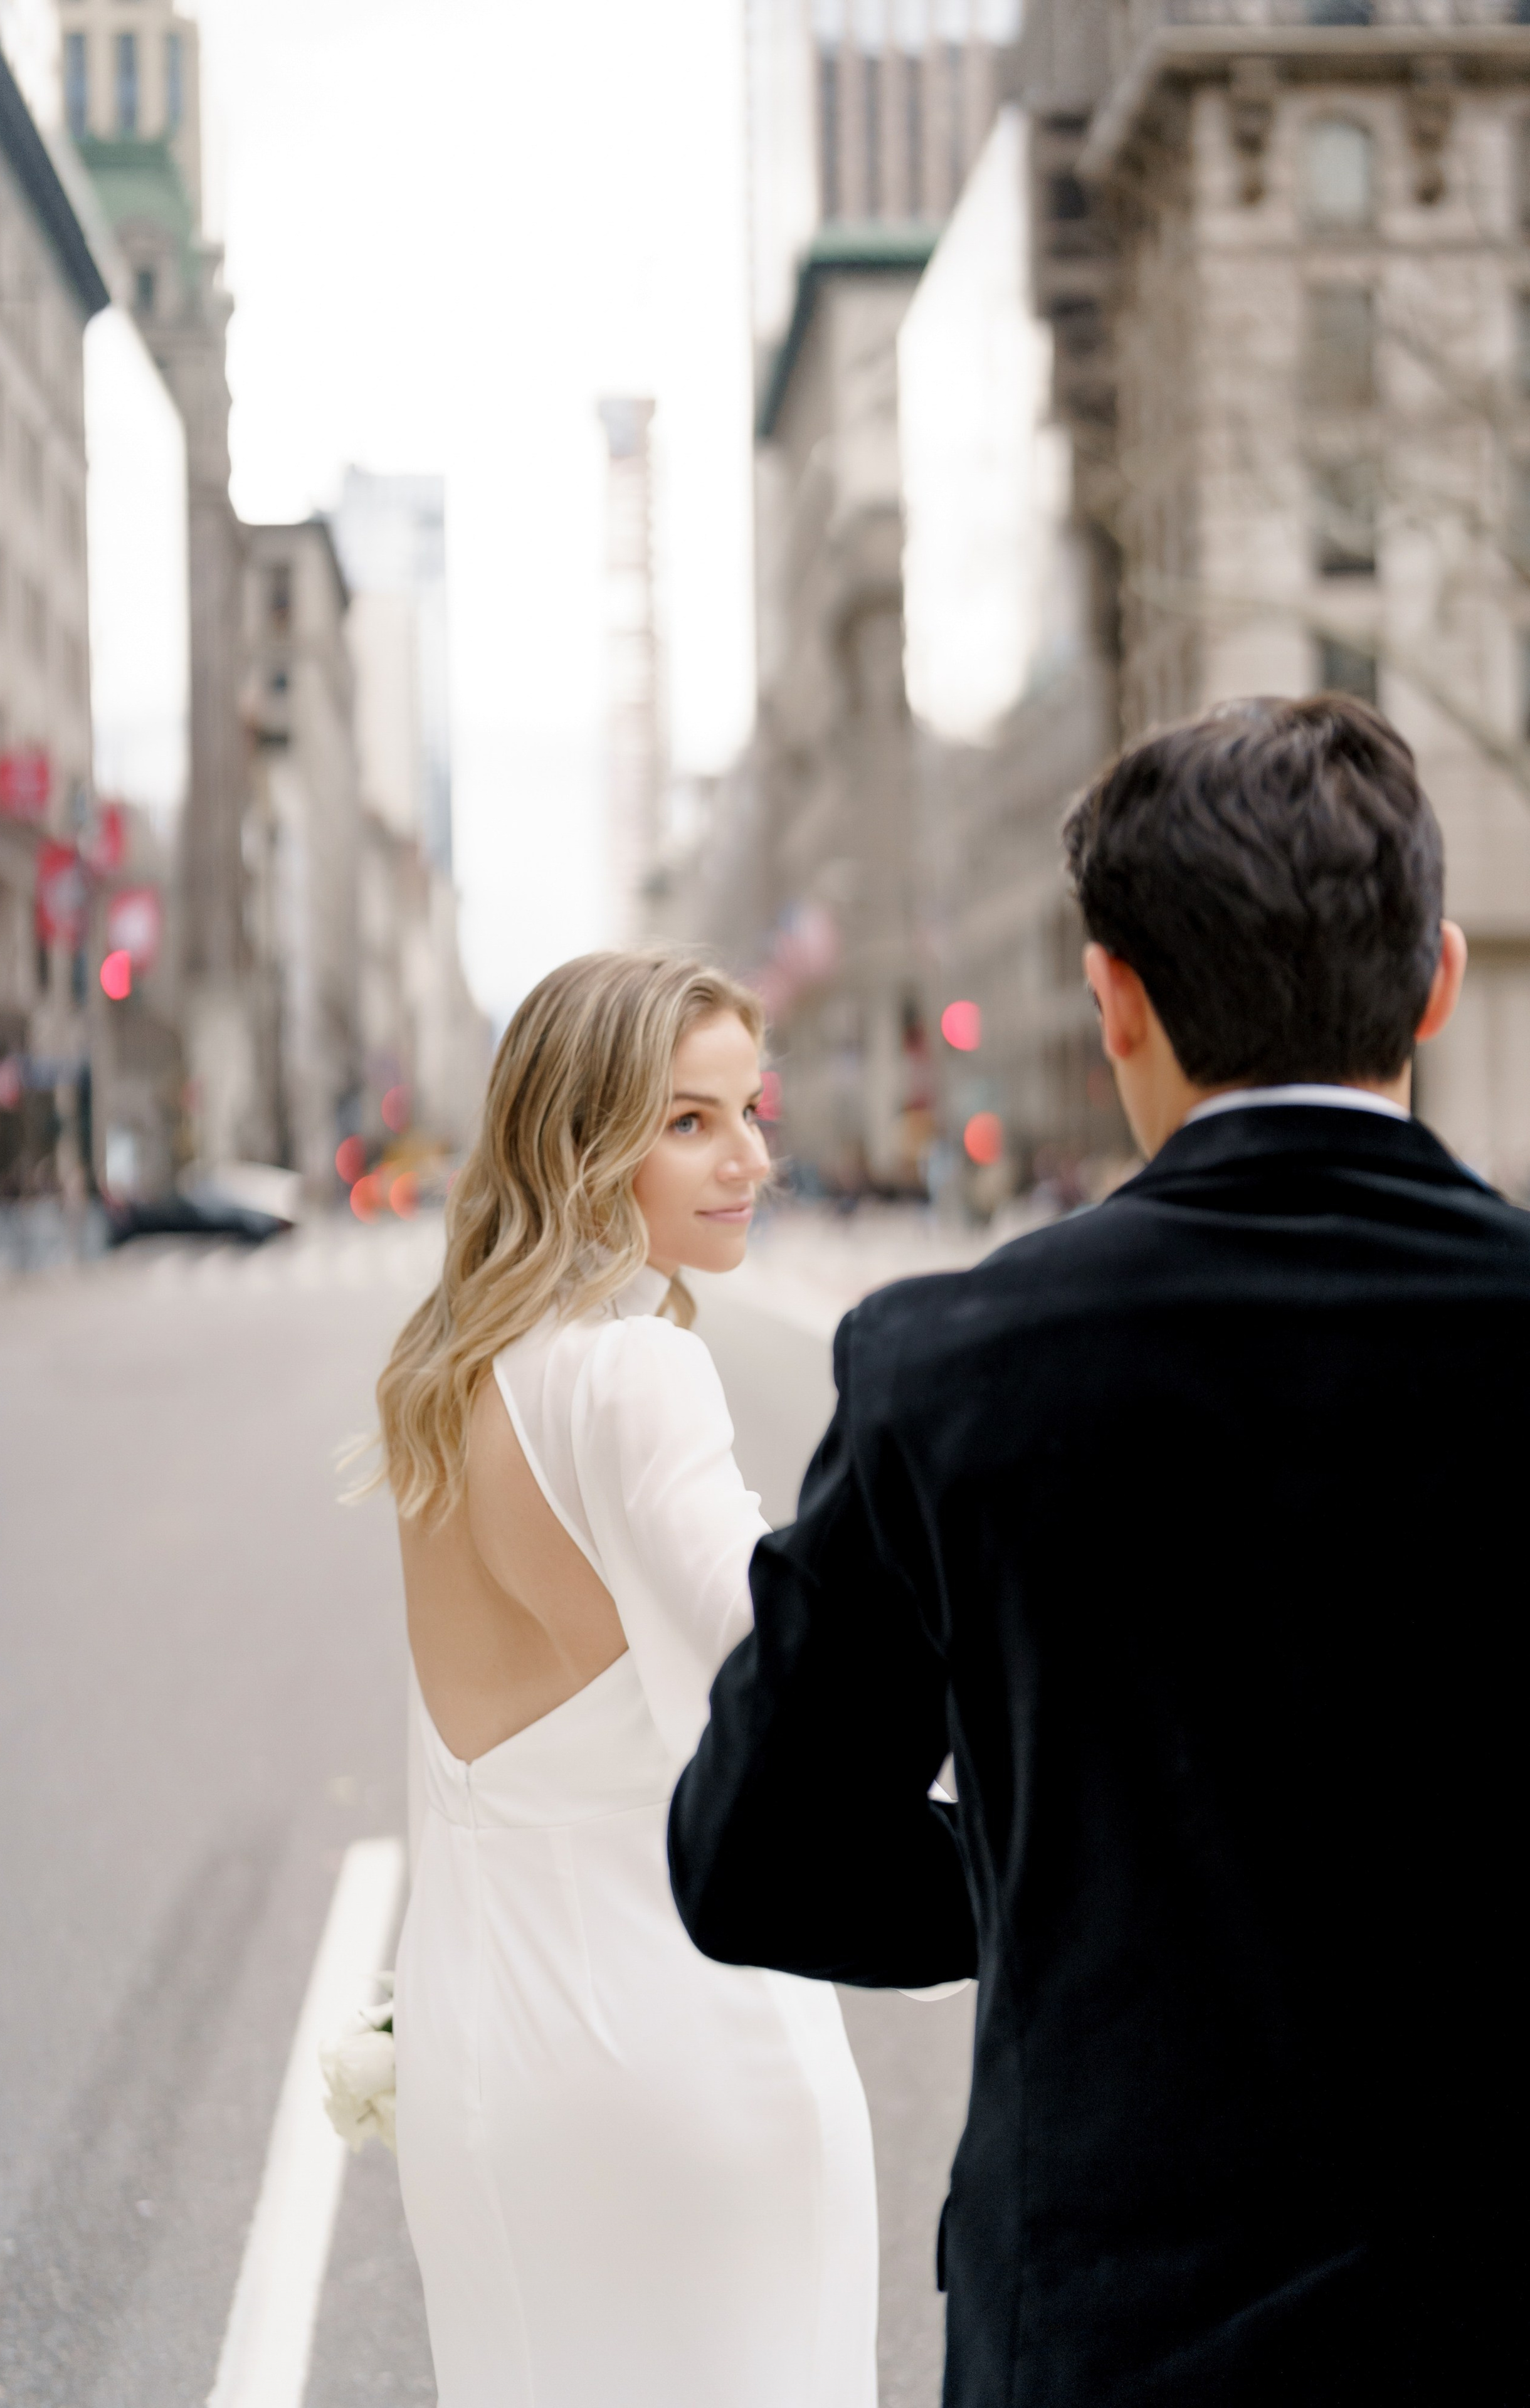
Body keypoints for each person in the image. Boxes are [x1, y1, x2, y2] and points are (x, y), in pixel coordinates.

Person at [669, 696, 1527, 2407]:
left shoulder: (952, 1367)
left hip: (1112, 2335)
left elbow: (755, 1853)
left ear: (1113, 997)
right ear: (1433, 981)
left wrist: (1059, 1860)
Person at [379, 949, 877, 2408]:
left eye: (748, 1110)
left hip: (482, 2063)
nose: (749, 1158)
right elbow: (787, 1679)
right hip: (679, 2049)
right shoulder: (631, 1369)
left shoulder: (450, 1370)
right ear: (581, 1141)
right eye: (688, 1123)